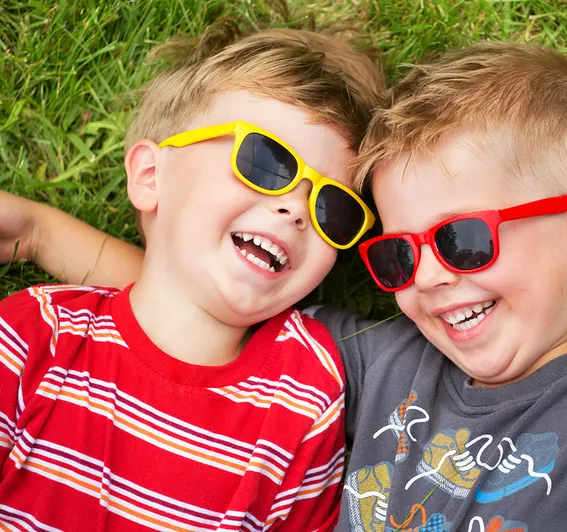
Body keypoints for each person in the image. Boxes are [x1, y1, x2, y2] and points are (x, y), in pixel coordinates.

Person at [3, 43, 567, 532]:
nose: (433, 277)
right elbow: (192, 305)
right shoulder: (375, 360)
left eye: (462, 239)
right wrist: (36, 231)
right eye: (397, 256)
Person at [0, 20, 384, 531]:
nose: (296, 210)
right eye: (266, 163)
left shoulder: (307, 393)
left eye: (333, 207)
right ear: (151, 176)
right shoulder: (34, 334)